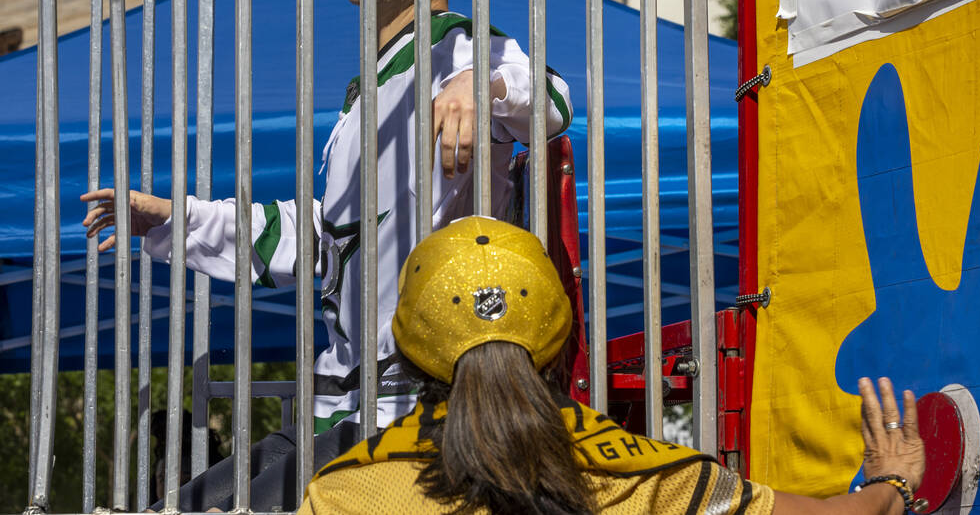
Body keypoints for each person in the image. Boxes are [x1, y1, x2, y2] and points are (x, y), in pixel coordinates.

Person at [80, 0, 573, 510]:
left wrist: (482, 85)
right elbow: (325, 239)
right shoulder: (366, 94)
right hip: (338, 414)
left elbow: (551, 98)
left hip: (408, 423)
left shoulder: (457, 51)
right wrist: (175, 219)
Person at [299, 216, 927, 515]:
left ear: (409, 355)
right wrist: (891, 484)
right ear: (559, 346)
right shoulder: (651, 481)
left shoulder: (344, 494)